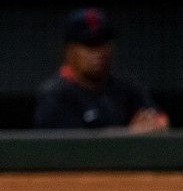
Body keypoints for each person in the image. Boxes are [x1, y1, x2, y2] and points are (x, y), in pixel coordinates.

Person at [35, 8, 169, 132]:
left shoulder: (126, 87)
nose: (98, 52)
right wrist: (130, 134)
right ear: (69, 50)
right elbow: (75, 150)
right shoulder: (54, 95)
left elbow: (161, 120)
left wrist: (154, 125)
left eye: (103, 43)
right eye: (90, 44)